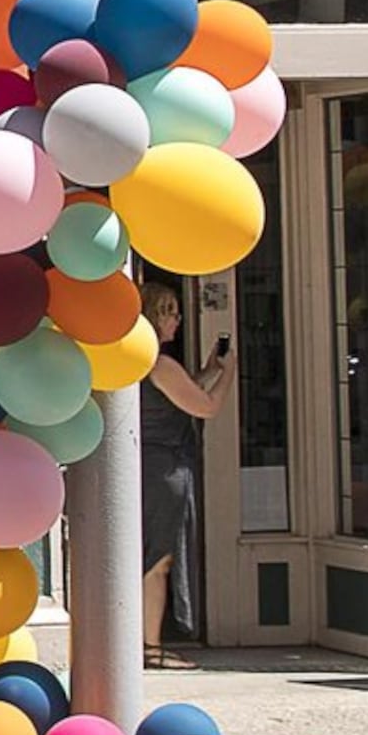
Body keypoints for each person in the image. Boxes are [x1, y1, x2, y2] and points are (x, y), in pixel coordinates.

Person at [140, 280, 231, 666]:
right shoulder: (160, 363)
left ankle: (147, 643)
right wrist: (229, 373)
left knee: (149, 555)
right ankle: (152, 646)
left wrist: (208, 370)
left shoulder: (144, 364)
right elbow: (205, 407)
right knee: (158, 559)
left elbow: (184, 393)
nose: (176, 320)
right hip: (164, 469)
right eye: (169, 312)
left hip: (150, 465)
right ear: (152, 316)